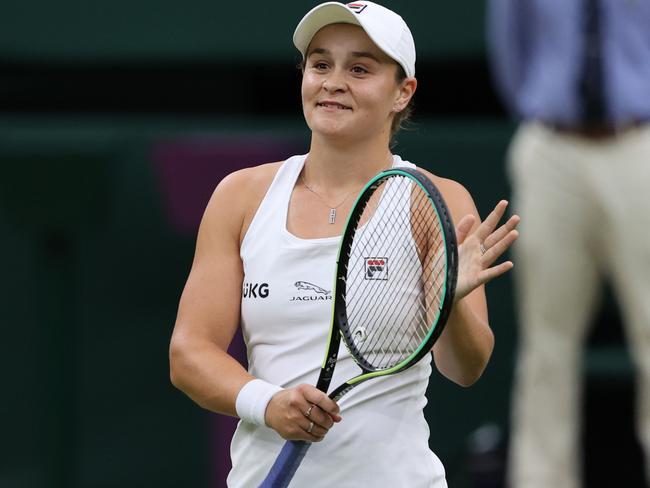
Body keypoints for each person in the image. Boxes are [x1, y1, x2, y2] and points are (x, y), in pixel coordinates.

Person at [170, 2, 519, 486]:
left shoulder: (437, 200)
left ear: (402, 92)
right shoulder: (240, 196)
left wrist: (450, 306)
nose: (333, 81)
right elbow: (189, 353)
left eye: (359, 68)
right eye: (320, 64)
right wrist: (267, 403)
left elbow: (465, 369)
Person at [487, 1, 650, 487]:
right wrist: (540, 105)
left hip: (640, 142)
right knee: (546, 343)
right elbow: (510, 45)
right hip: (552, 146)